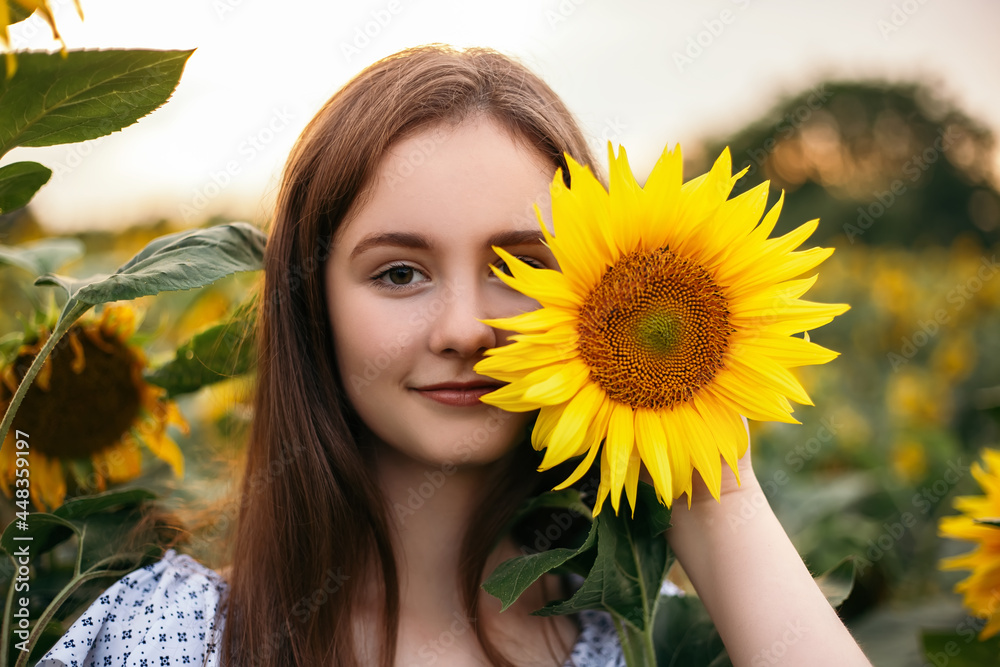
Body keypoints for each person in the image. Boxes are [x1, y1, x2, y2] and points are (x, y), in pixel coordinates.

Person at [38, 44, 872, 667]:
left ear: (603, 286)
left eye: (519, 268)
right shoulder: (163, 637)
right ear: (311, 302)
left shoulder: (649, 637)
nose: (465, 328)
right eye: (400, 272)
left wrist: (711, 480)